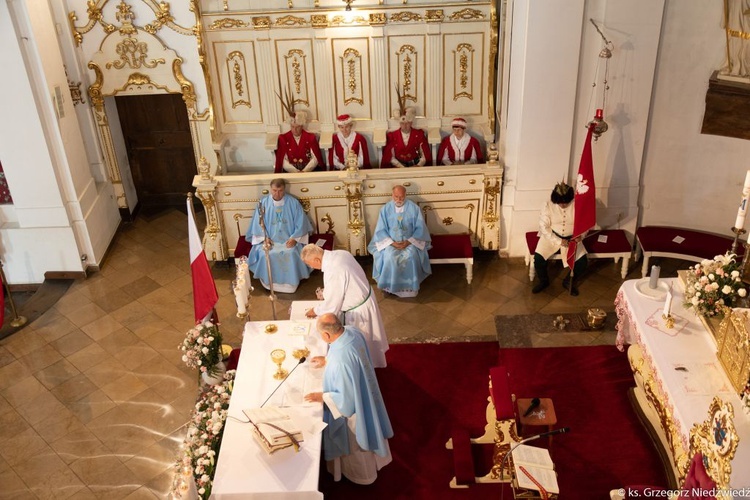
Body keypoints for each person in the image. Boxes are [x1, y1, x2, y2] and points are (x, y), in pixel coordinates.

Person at [304, 313, 393, 485]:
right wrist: (327, 359)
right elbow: (349, 354)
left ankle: (362, 475)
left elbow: (346, 403)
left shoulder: (340, 363)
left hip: (355, 414)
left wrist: (322, 396)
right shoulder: (352, 331)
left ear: (327, 335)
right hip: (366, 388)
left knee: (357, 442)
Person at [300, 244, 389, 368]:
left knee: (361, 345)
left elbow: (332, 306)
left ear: (317, 260)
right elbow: (344, 284)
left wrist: (315, 311)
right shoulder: (340, 253)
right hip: (365, 299)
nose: (311, 267)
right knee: (368, 344)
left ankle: (362, 367)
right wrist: (325, 292)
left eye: (310, 264)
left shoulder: (333, 270)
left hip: (358, 312)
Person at [244, 178, 312, 293]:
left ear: (284, 189)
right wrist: (264, 238)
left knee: (291, 252)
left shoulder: (293, 203)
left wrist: (295, 238)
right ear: (271, 189)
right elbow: (257, 224)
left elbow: (301, 223)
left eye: (280, 190)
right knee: (266, 253)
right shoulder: (263, 204)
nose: (277, 193)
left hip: (288, 240)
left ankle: (291, 283)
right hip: (270, 240)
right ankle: (269, 282)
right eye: (275, 190)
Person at [368, 185, 432, 297]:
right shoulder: (385, 209)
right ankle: (390, 287)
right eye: (396, 197)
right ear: (392, 195)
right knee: (389, 257)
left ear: (405, 195)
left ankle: (410, 288)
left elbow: (420, 228)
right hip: (391, 242)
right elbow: (381, 229)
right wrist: (392, 243)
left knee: (411, 256)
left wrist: (408, 241)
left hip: (410, 242)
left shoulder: (414, 208)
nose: (398, 200)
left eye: (401, 197)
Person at [532, 182, 588, 296]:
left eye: (565, 202)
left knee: (582, 262)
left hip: (572, 239)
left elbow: (585, 224)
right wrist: (558, 241)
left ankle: (568, 281)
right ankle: (544, 281)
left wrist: (581, 236)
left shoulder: (578, 205)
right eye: (560, 203)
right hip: (550, 237)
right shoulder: (547, 205)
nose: (563, 205)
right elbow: (544, 227)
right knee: (538, 259)